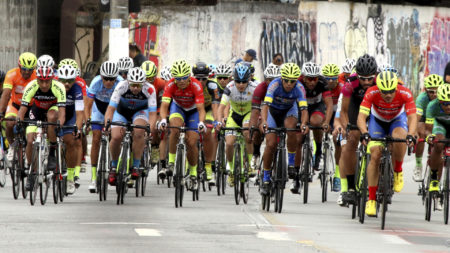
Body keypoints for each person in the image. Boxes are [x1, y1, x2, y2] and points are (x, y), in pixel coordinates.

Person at [357, 71, 417, 216]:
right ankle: (371, 200)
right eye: (384, 92)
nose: (388, 95)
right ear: (378, 88)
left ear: (396, 88)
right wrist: (364, 132)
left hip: (397, 120)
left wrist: (410, 134)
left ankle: (397, 170)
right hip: (377, 122)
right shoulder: (371, 92)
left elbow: (412, 117)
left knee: (400, 136)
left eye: (391, 91)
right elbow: (362, 116)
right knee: (375, 154)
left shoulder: (405, 93)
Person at [334, 54, 378, 206]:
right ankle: (351, 188)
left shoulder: (379, 82)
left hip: (373, 110)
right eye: (362, 78)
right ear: (357, 75)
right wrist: (348, 129)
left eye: (369, 78)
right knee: (350, 143)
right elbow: (344, 111)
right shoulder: (349, 84)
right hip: (354, 108)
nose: (366, 82)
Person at [260, 63, 308, 195]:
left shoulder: (299, 87)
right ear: (281, 78)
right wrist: (264, 121)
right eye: (286, 80)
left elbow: (304, 109)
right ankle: (265, 178)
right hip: (273, 112)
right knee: (271, 144)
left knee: (291, 129)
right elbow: (265, 106)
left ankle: (291, 164)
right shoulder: (274, 85)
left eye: (292, 81)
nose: (288, 83)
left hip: (289, 111)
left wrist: (303, 123)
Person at [158, 60, 206, 187]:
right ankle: (172, 163)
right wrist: (163, 119)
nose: (182, 81)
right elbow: (164, 106)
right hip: (178, 108)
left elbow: (201, 109)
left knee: (191, 142)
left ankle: (193, 172)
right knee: (174, 129)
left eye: (185, 78)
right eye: (178, 79)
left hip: (193, 111)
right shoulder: (170, 85)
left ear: (189, 76)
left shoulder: (196, 85)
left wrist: (201, 123)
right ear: (174, 78)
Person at [106, 67, 157, 185]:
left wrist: (150, 129)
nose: (135, 88)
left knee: (139, 131)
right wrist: (107, 125)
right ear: (128, 82)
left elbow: (153, 114)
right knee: (116, 137)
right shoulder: (121, 86)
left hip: (140, 112)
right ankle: (113, 167)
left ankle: (136, 165)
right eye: (133, 84)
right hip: (122, 112)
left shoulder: (150, 89)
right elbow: (111, 109)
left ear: (143, 83)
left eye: (138, 85)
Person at [18, 66, 66, 191]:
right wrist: (19, 121)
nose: (44, 85)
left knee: (52, 117)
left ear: (52, 79)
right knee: (29, 140)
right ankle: (32, 172)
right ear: (37, 80)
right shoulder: (31, 86)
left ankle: (52, 153)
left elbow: (62, 112)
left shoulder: (58, 87)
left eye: (47, 81)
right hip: (37, 110)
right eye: (41, 81)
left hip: (52, 109)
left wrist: (59, 124)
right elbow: (23, 109)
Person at [216, 63, 257, 186]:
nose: (240, 85)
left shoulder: (254, 87)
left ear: (249, 80)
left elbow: (259, 106)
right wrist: (219, 120)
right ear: (234, 79)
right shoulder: (229, 87)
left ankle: (249, 165)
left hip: (248, 114)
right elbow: (221, 107)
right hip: (234, 116)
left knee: (246, 133)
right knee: (229, 143)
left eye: (243, 82)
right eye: (238, 81)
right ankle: (232, 171)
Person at [85, 61, 123, 189]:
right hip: (99, 109)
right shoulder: (95, 82)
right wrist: (88, 120)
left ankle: (114, 166)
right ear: (101, 77)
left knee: (115, 137)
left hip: (114, 109)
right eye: (106, 78)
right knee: (96, 139)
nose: (108, 82)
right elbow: (88, 105)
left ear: (116, 78)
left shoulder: (121, 82)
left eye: (112, 79)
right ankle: (94, 177)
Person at [0, 52, 37, 165]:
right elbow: (6, 95)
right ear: (20, 66)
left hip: (31, 106)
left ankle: (28, 149)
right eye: (24, 69)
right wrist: (1, 112)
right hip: (15, 104)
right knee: (10, 123)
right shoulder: (11, 74)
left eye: (30, 70)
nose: (27, 72)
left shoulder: (37, 76)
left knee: (31, 130)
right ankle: (11, 146)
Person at [57, 64, 84, 193]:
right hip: (56, 116)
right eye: (63, 80)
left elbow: (79, 113)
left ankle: (70, 178)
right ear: (58, 79)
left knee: (70, 141)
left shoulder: (77, 89)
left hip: (70, 117)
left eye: (70, 81)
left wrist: (77, 129)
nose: (66, 84)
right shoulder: (54, 87)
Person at [250, 64, 281, 171]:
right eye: (269, 80)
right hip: (263, 111)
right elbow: (255, 110)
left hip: (278, 112)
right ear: (265, 79)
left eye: (275, 79)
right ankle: (256, 152)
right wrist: (252, 127)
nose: (272, 83)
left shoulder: (284, 87)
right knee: (257, 128)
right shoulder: (260, 88)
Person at [413, 74, 443, 181]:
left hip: (438, 118)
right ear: (426, 91)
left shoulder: (445, 96)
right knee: (420, 132)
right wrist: (414, 131)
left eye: (437, 91)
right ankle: (418, 165)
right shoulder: (421, 99)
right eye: (431, 92)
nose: (434, 94)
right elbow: (416, 117)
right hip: (424, 117)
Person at [426, 83, 450, 210]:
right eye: (445, 104)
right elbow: (429, 129)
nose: (448, 106)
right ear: (440, 101)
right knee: (438, 144)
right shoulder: (432, 106)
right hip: (439, 124)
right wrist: (430, 137)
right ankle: (434, 176)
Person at [141, 60, 167, 168]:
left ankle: (155, 147)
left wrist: (160, 117)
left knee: (155, 128)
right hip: (142, 107)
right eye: (145, 79)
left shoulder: (161, 83)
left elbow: (162, 102)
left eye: (151, 79)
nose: (148, 82)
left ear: (155, 76)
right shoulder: (137, 82)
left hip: (155, 107)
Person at [321, 63, 343, 192]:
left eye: (333, 78)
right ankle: (315, 153)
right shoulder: (322, 87)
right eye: (327, 78)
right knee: (318, 126)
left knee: (337, 141)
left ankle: (337, 176)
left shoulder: (341, 88)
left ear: (338, 78)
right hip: (325, 113)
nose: (330, 81)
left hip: (338, 115)